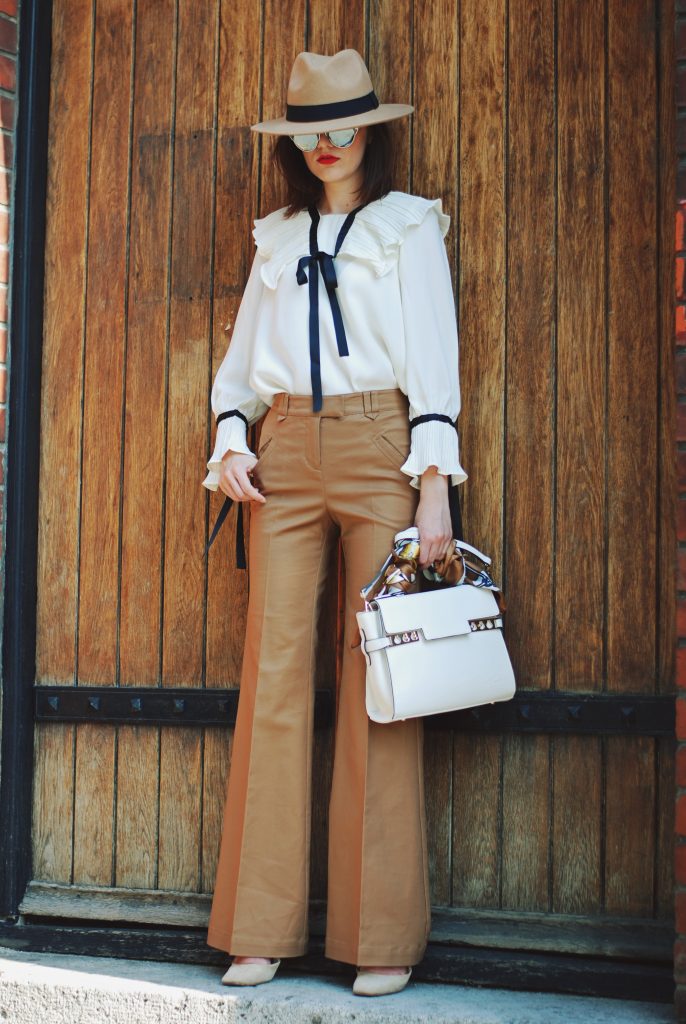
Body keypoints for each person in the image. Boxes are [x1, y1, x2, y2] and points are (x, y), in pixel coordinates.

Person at [202, 48, 467, 998]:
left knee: (378, 685)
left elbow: (433, 351)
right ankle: (258, 927)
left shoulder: (407, 227)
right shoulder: (276, 238)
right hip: (282, 456)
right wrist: (232, 436)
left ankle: (379, 935)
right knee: (272, 677)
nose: (327, 147)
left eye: (345, 129)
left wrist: (436, 481)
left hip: (380, 447)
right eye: (311, 132)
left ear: (373, 134)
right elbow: (240, 369)